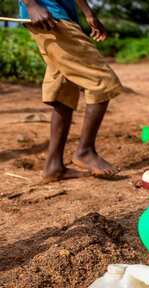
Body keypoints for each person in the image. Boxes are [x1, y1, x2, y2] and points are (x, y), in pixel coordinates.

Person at [19, 0, 122, 180]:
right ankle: (85, 151)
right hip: (49, 16)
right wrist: (31, 4)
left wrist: (88, 14)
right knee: (102, 80)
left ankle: (54, 166)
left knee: (64, 89)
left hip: (60, 16)